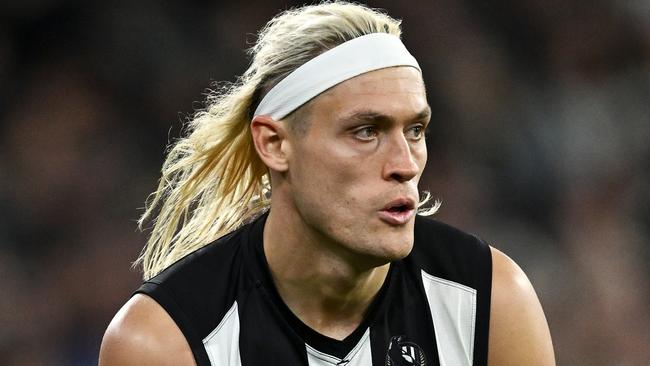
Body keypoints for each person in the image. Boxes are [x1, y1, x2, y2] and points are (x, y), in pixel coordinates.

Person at [99, 2, 555, 365]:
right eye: (366, 131)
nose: (405, 163)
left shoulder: (491, 299)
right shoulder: (163, 342)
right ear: (275, 144)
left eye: (415, 130)